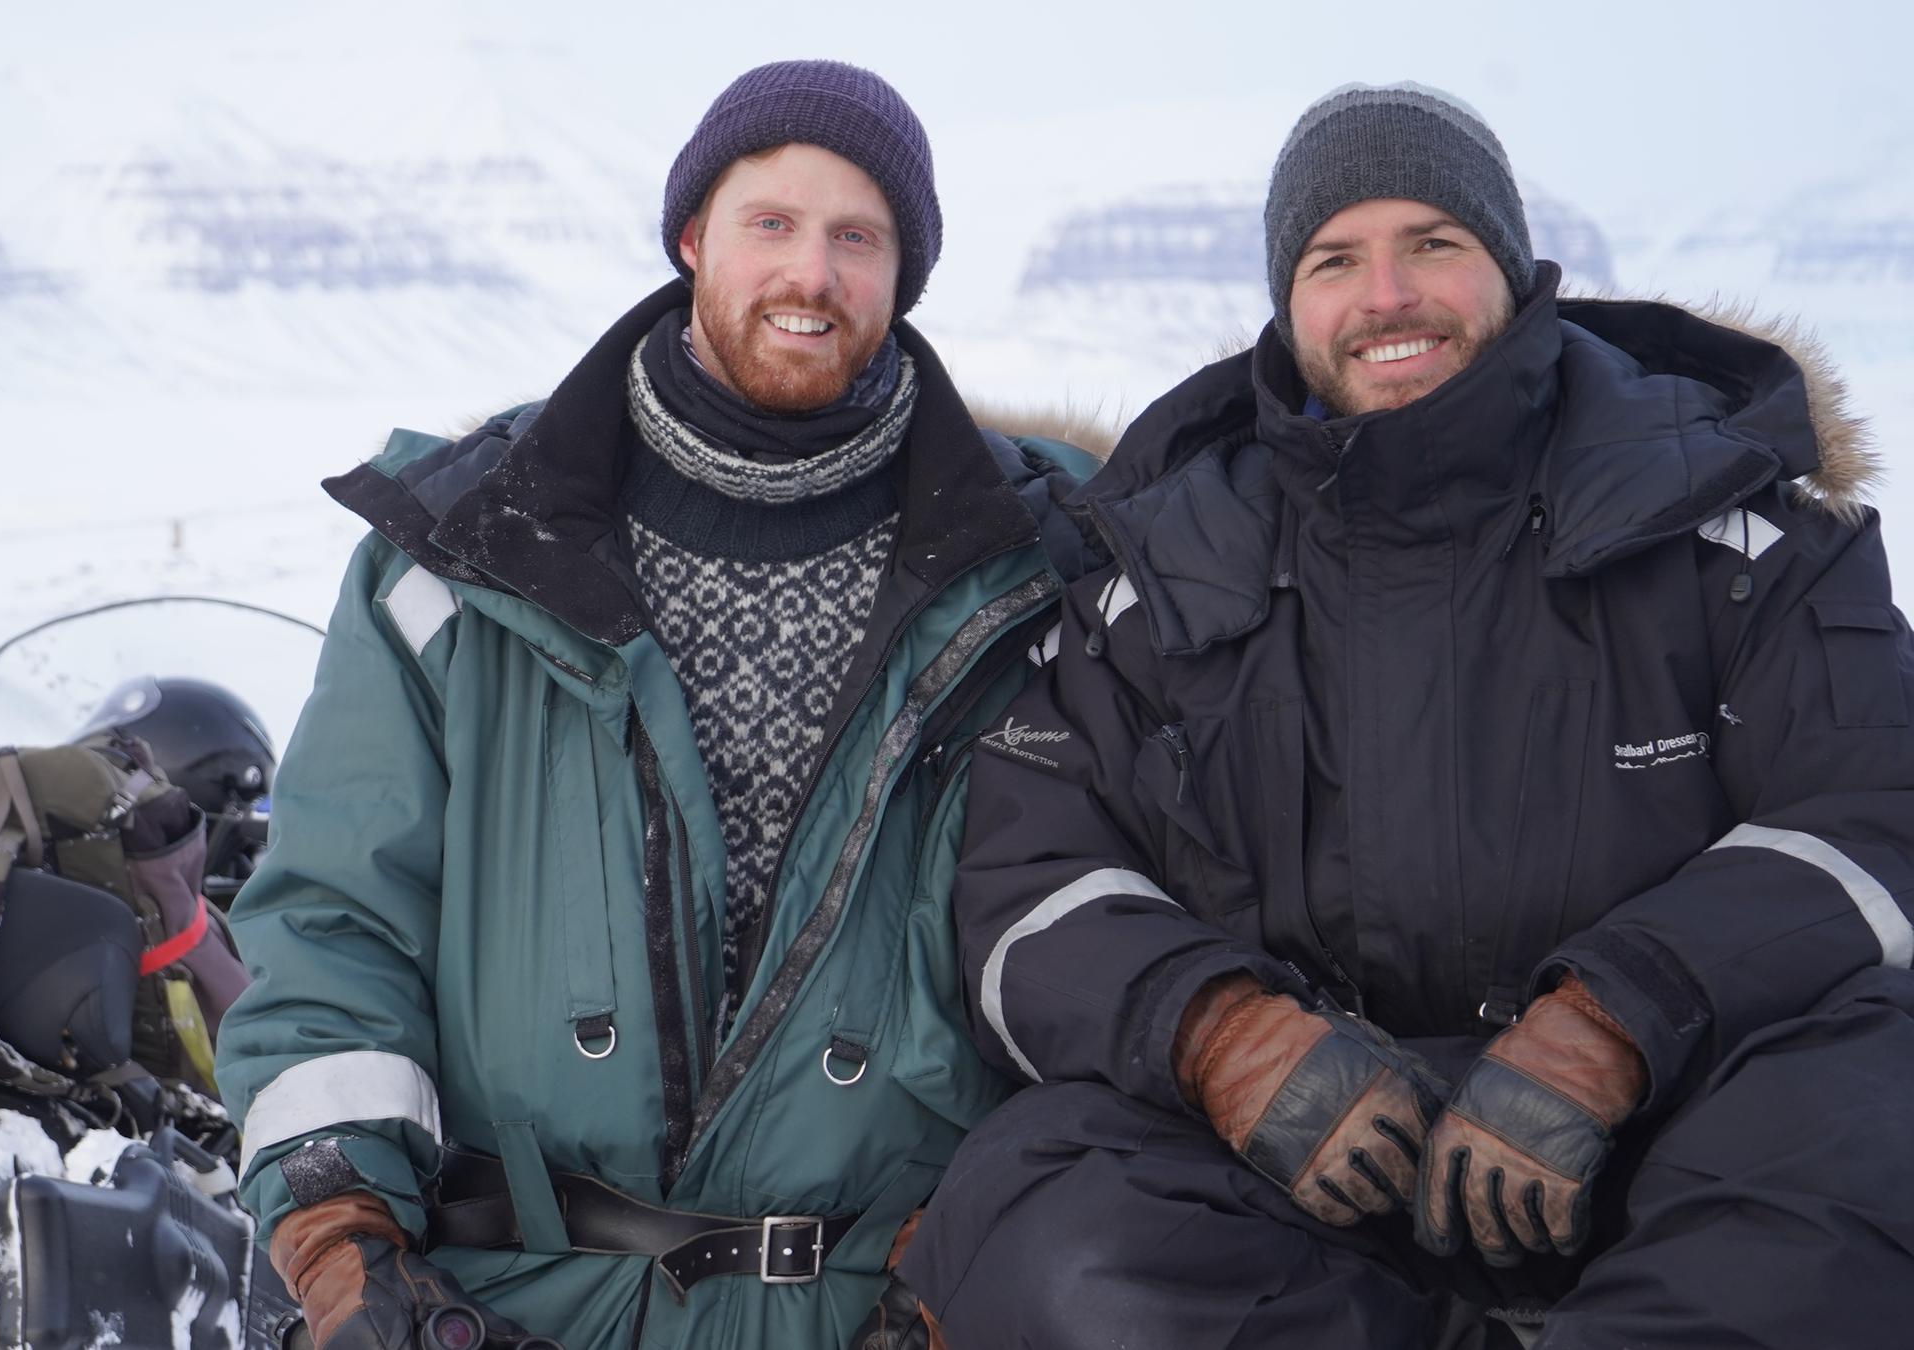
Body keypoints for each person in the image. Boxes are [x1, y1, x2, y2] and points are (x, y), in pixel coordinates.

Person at [900, 82, 1914, 1349]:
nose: (1386, 297)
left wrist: (1616, 1021)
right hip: (1308, 1154)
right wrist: (1221, 1036)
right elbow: (1028, 880)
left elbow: (1874, 816)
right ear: (1289, 299)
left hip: (1686, 1127)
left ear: (1511, 267)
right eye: (1336, 259)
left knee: (1877, 1116)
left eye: (1432, 243)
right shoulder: (1155, 568)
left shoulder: (1739, 519)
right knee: (1044, 1211)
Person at [216, 60, 1097, 1350]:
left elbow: (1095, 946)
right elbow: (336, 922)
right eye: (771, 224)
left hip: (888, 1311)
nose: (812, 274)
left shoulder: (1046, 573)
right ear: (693, 237)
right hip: (499, 1305)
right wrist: (343, 1238)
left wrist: (991, 1256)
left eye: (859, 236)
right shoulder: (461, 555)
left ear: (905, 274)